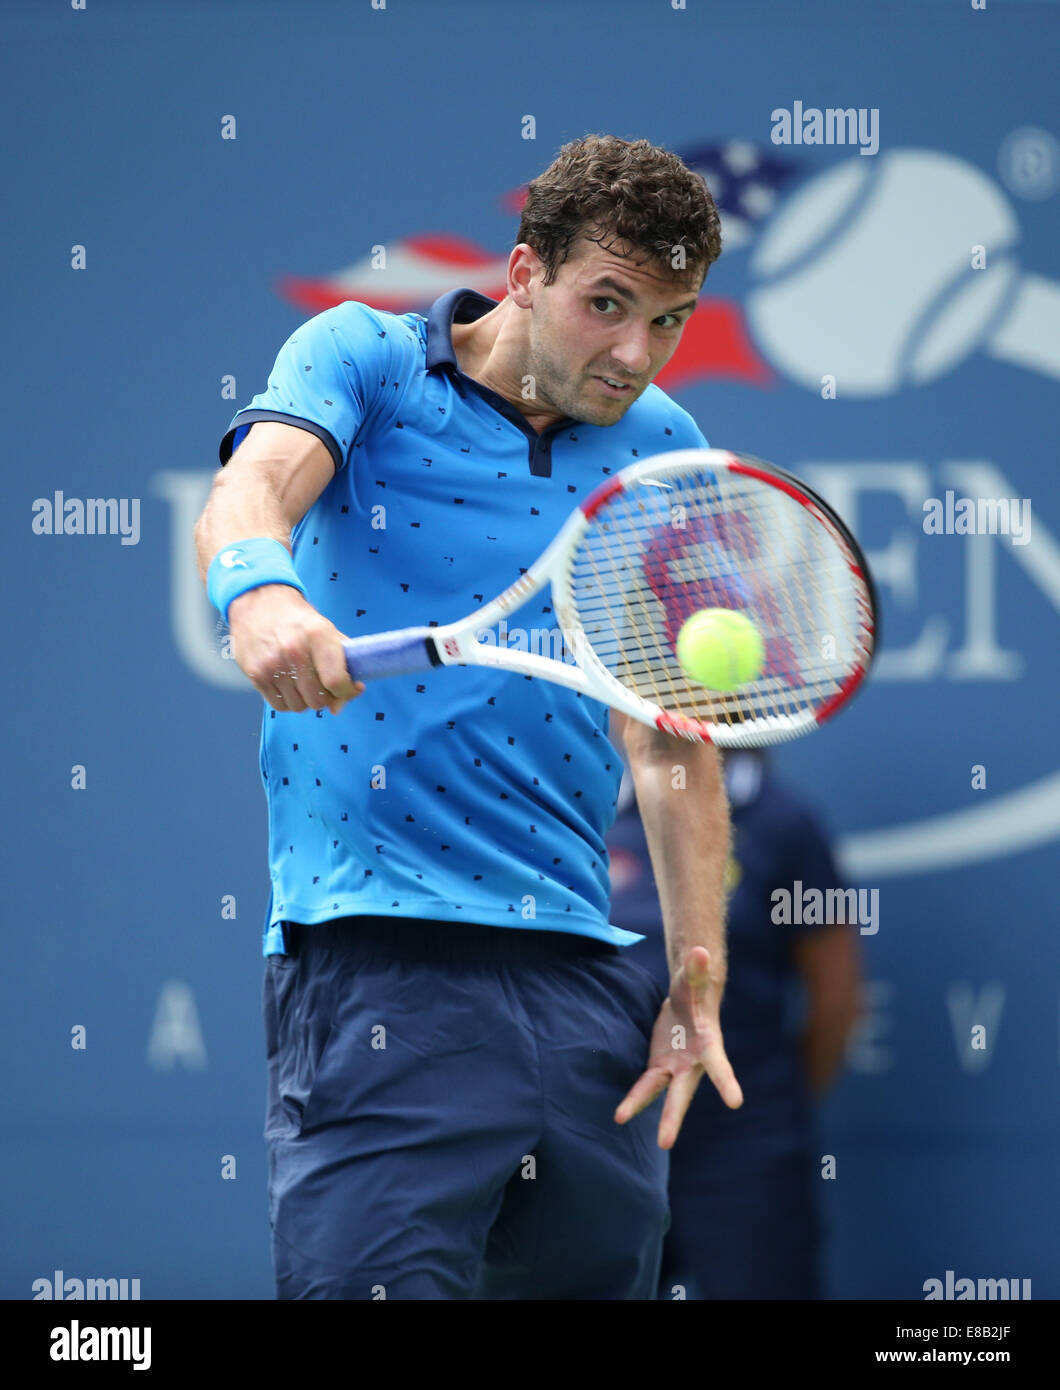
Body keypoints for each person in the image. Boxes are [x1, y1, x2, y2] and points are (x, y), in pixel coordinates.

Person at [193, 133, 744, 1300]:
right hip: (377, 967)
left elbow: (670, 735)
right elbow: (252, 488)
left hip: (589, 989)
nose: (634, 353)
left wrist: (696, 979)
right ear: (524, 271)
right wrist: (261, 590)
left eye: (671, 319)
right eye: (608, 304)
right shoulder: (367, 358)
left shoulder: (664, 449)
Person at [606, 746, 863, 1299]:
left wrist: (759, 1110)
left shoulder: (786, 824)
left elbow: (836, 1000)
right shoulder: (584, 812)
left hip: (745, 1147)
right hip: (604, 1138)